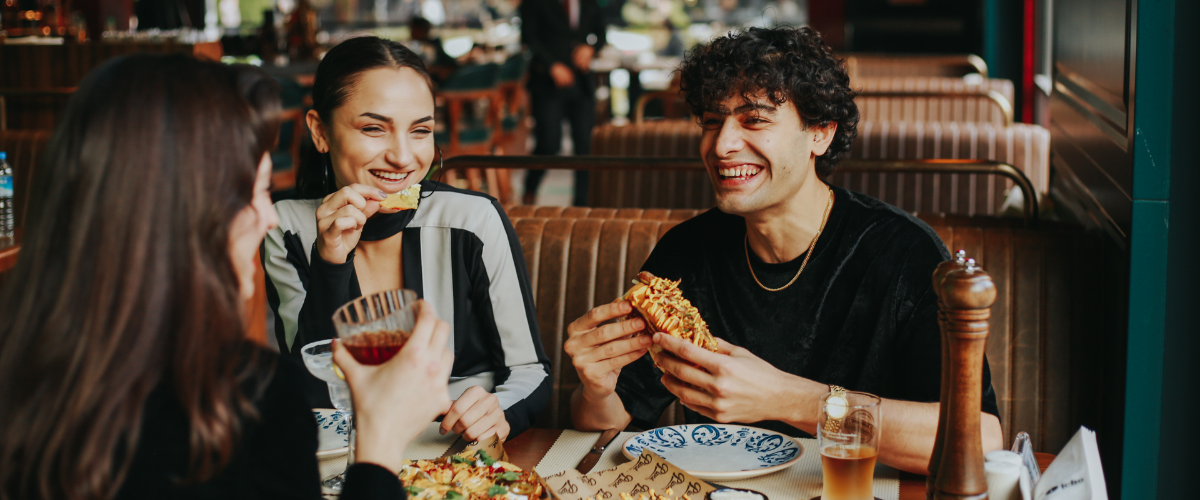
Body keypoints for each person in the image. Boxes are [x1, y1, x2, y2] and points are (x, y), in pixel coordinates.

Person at [0, 54, 453, 500]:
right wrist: (379, 446)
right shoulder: (249, 403)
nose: (267, 220)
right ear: (183, 212)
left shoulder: (22, 370)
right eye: (255, 194)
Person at [563, 27, 1004, 474]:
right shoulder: (688, 253)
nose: (720, 145)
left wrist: (791, 399)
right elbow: (612, 421)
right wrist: (596, 389)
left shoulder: (903, 253)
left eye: (754, 120)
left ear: (821, 134)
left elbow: (980, 438)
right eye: (713, 121)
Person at [264, 36, 550, 443]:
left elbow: (529, 371)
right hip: (350, 454)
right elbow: (314, 392)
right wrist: (330, 263)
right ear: (320, 132)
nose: (402, 156)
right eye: (373, 128)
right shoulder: (287, 229)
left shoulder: (472, 220)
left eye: (420, 131)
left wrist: (496, 412)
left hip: (458, 451)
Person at [517, 0, 607, 206]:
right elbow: (529, 37)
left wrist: (590, 48)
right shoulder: (534, 3)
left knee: (585, 147)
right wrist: (552, 66)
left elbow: (601, 32)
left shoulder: (590, 2)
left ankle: (582, 203)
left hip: (582, 82)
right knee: (548, 143)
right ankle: (530, 191)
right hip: (547, 83)